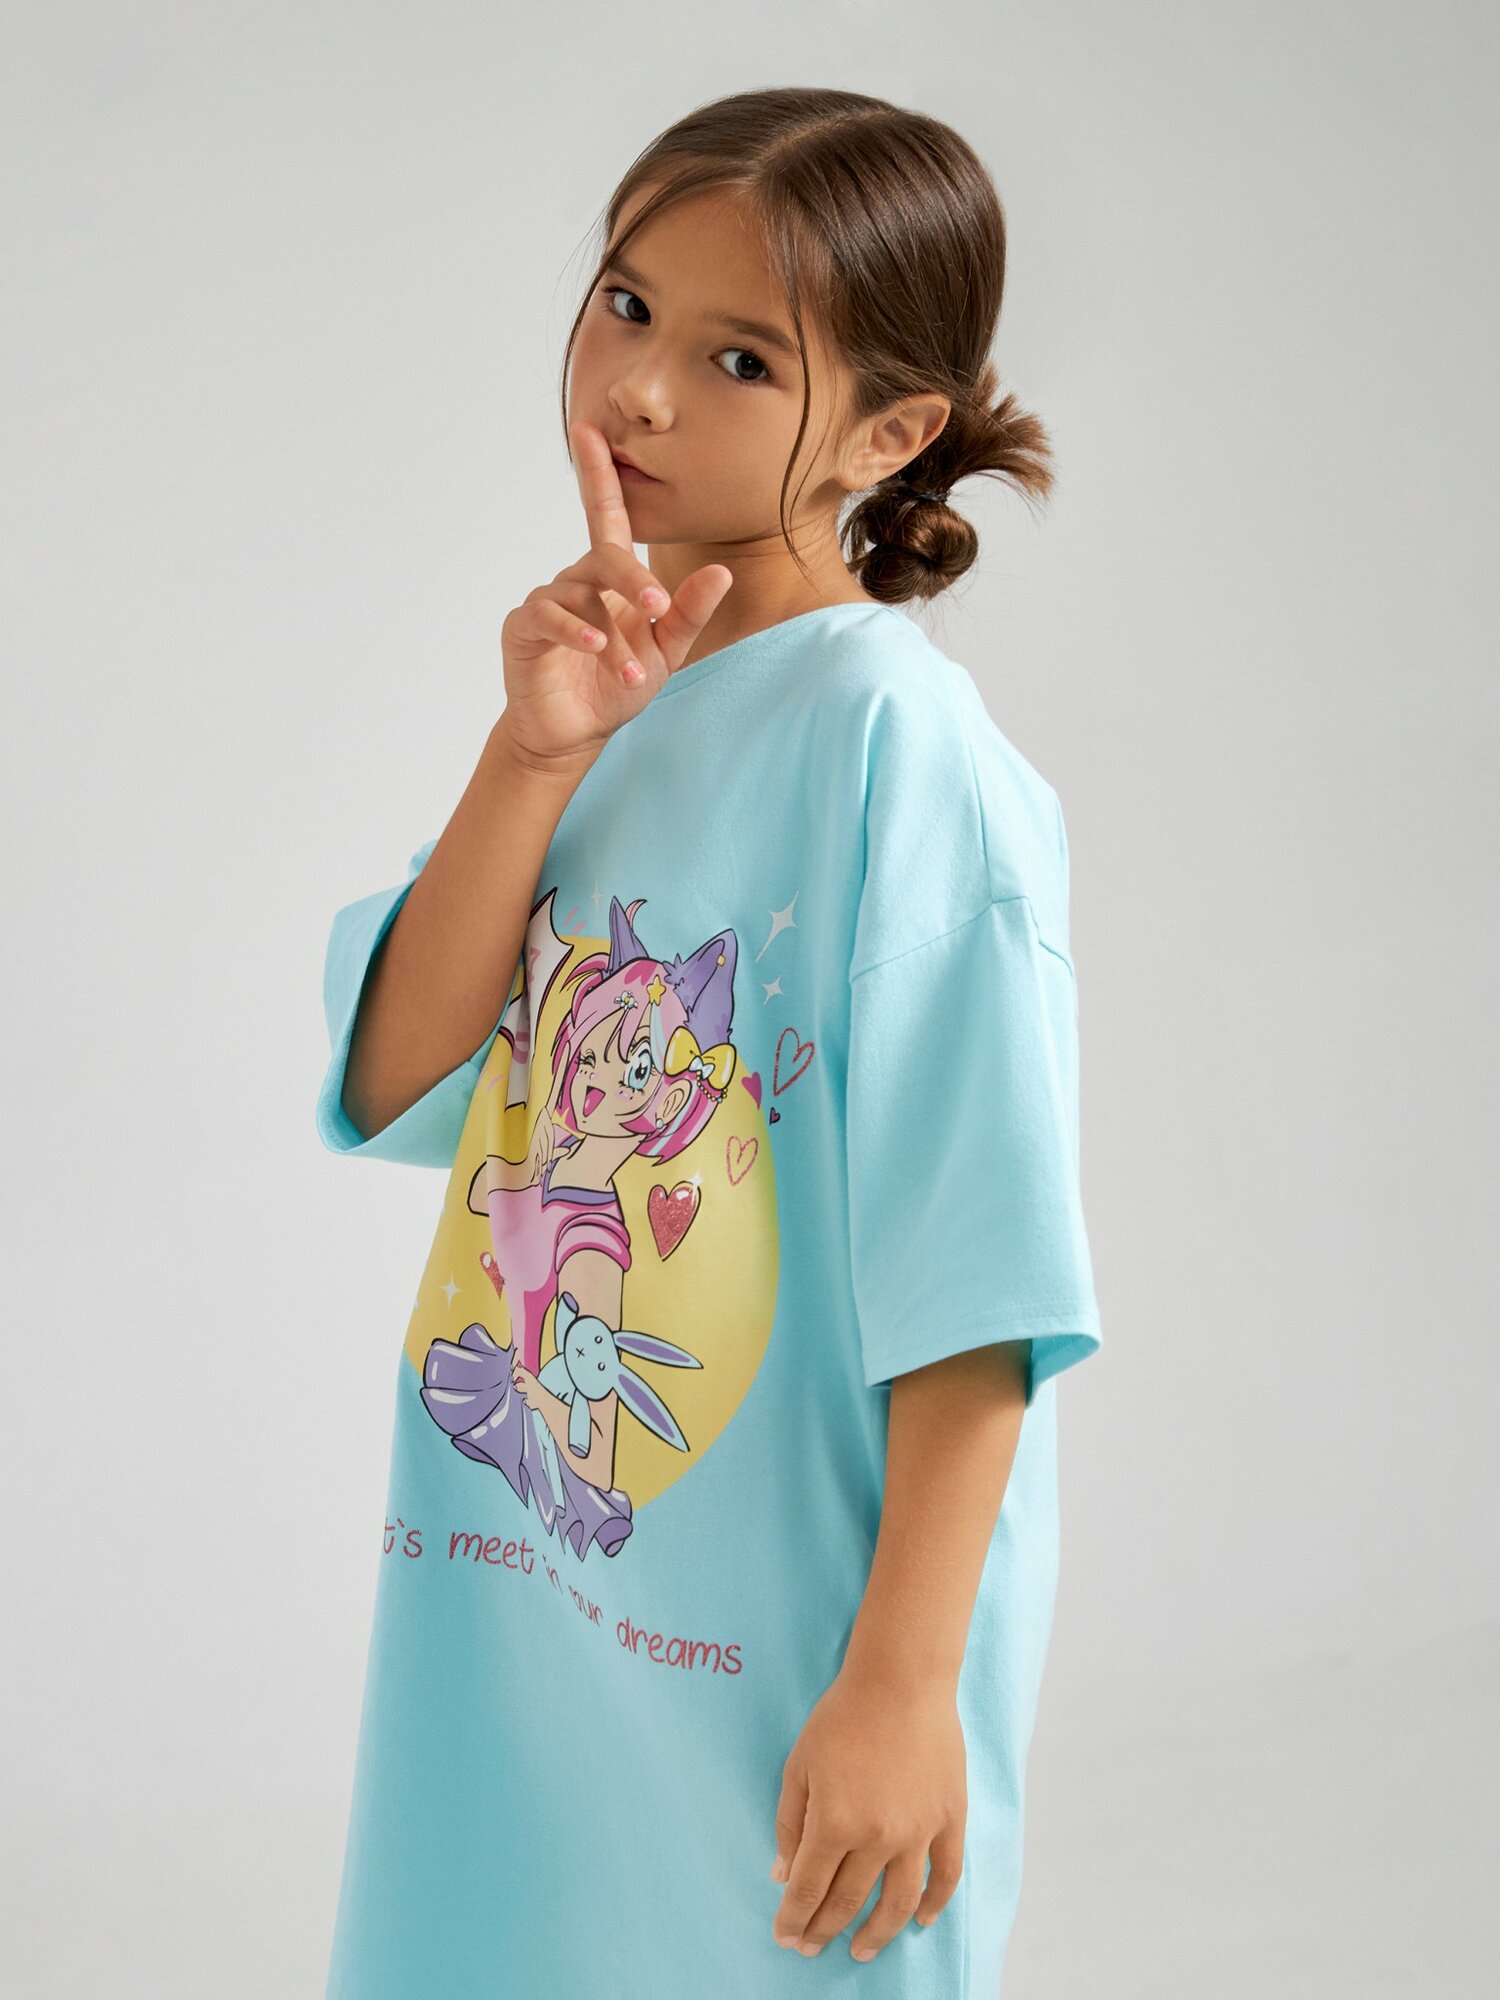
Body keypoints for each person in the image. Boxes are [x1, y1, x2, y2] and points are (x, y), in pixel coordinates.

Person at [314, 86, 1103, 2000]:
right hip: (514, 1618)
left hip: (784, 1649)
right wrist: (534, 756)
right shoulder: (611, 698)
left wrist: (905, 1688)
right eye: (626, 304)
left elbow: (981, 1273)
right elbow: (396, 1077)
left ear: (893, 435)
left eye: (741, 359)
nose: (641, 390)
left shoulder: (901, 752)